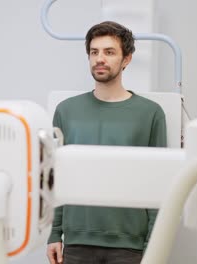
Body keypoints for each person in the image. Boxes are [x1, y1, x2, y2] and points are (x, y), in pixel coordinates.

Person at [46, 21, 167, 264]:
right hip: (76, 243)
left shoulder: (151, 113)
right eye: (94, 52)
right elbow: (56, 177)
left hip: (130, 245)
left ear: (126, 59)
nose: (100, 58)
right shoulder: (66, 111)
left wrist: (155, 244)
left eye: (109, 52)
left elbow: (158, 185)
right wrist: (53, 233)